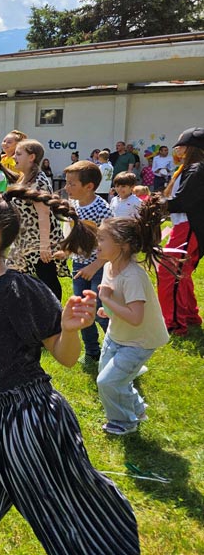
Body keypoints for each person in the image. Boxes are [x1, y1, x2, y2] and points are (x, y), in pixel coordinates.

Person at [0, 192, 138, 555]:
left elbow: (65, 357)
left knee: (60, 511)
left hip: (32, 418)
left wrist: (69, 330)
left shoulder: (19, 289)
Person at [95, 198, 170, 435]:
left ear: (122, 245)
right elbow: (121, 303)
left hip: (139, 341)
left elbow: (136, 317)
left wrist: (106, 300)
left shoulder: (133, 276)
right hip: (117, 335)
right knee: (111, 378)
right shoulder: (108, 267)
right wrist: (108, 310)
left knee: (108, 381)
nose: (97, 243)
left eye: (102, 239)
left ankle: (125, 422)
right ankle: (137, 408)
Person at [62, 160, 113, 363]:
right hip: (79, 265)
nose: (66, 187)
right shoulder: (73, 206)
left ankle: (116, 350)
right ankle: (92, 352)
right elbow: (73, 235)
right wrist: (65, 252)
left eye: (71, 184)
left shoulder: (103, 210)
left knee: (100, 311)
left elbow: (112, 244)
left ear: (89, 186)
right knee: (82, 310)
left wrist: (95, 265)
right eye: (66, 182)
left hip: (100, 266)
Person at [7, 139, 69, 300]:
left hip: (39, 242)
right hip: (24, 242)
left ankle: (54, 313)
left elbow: (44, 214)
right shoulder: (23, 178)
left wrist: (44, 246)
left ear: (31, 157)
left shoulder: (38, 182)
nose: (14, 157)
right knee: (19, 281)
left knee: (47, 283)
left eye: (18, 154)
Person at [157, 127, 204, 336]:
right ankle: (189, 316)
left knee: (169, 273)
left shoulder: (196, 169)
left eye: (181, 146)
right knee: (182, 274)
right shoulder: (189, 169)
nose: (177, 150)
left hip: (188, 226)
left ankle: (174, 323)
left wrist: (158, 205)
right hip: (183, 225)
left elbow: (183, 201)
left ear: (192, 147)